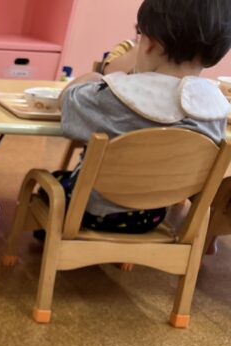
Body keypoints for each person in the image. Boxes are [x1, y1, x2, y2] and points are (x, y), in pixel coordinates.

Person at [55, 0, 231, 233]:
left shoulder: (114, 96)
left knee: (53, 184)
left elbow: (67, 103)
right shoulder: (215, 109)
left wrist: (92, 78)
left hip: (91, 212)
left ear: (149, 43)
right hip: (154, 215)